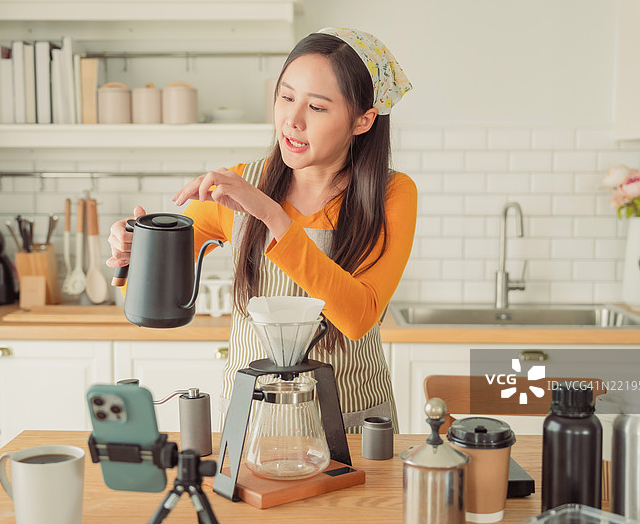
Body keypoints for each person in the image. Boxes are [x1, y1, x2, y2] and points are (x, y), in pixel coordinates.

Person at [108, 27, 417, 433]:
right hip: (250, 425)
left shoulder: (392, 195)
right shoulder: (237, 184)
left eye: (318, 108)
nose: (292, 120)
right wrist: (137, 255)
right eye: (286, 97)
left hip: (353, 425)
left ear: (363, 120)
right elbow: (151, 301)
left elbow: (358, 317)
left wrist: (273, 216)